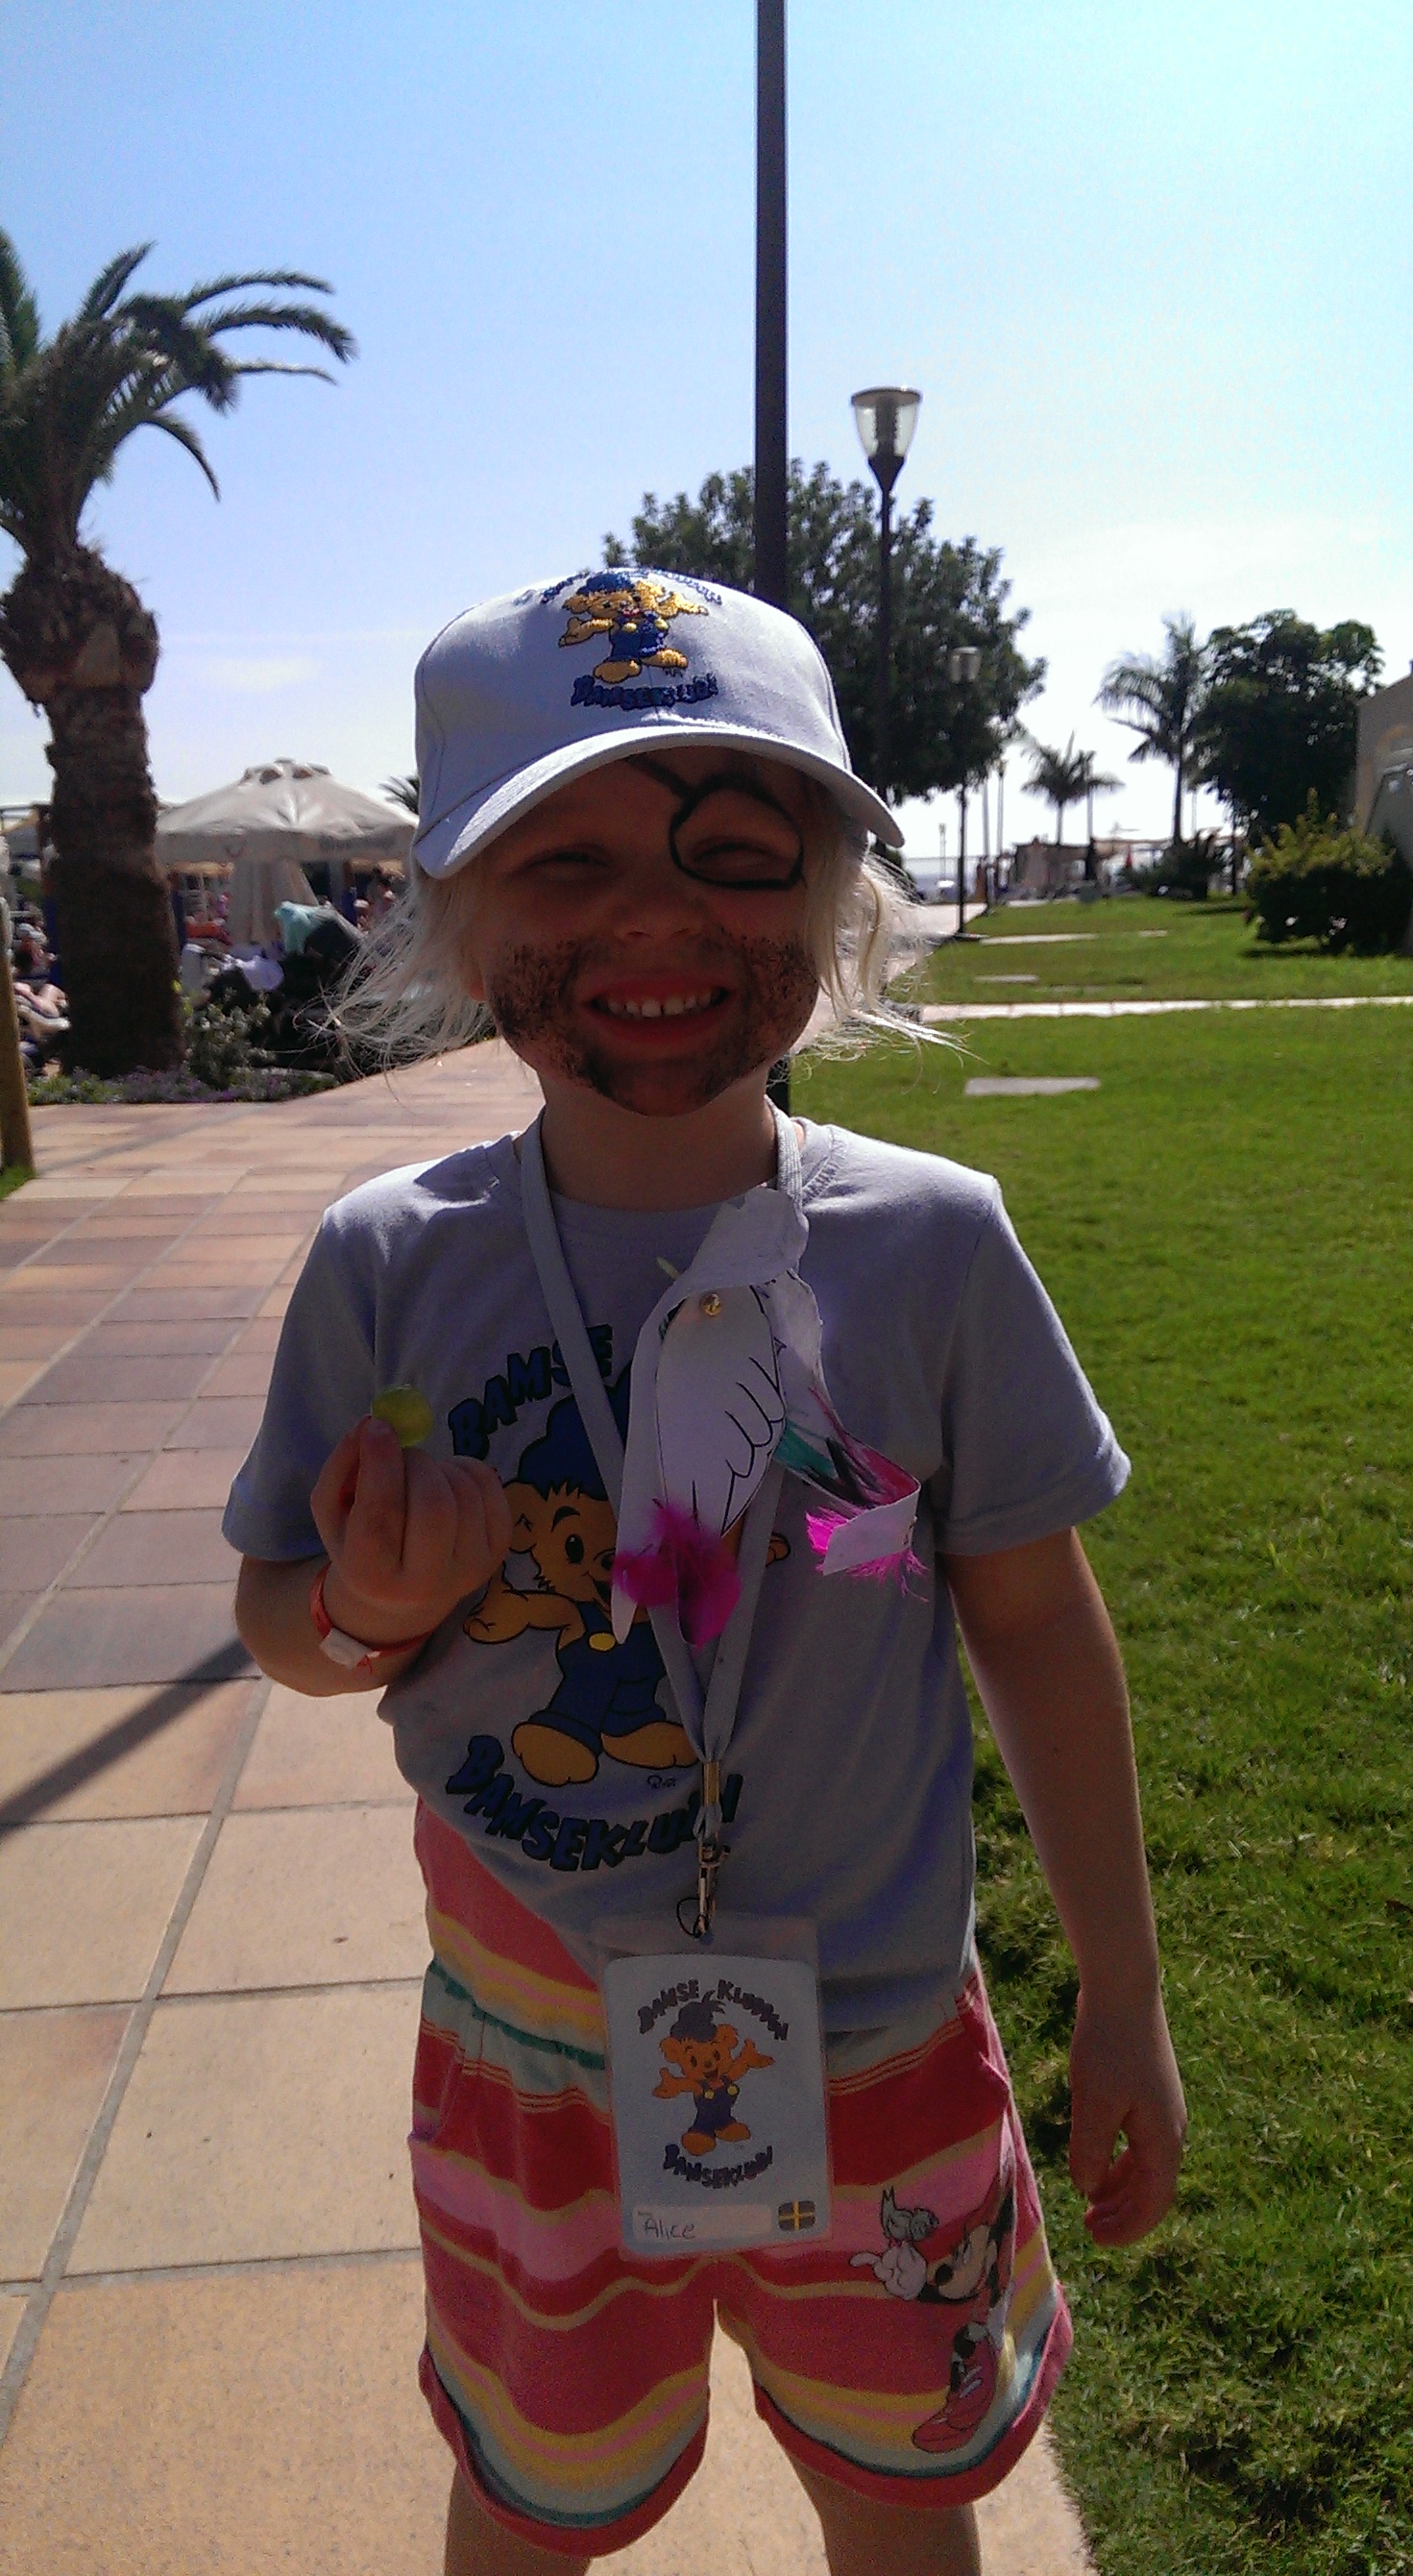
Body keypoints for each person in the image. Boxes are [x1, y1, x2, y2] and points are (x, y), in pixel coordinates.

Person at [226, 575, 1185, 2576]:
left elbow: (1032, 1620)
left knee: (898, 2494)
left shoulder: (931, 1247)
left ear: (828, 906)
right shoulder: (388, 1259)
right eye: (561, 861)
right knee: (532, 2497)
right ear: (458, 914)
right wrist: (363, 1615)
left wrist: (1124, 1992)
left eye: (733, 856)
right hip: (535, 2064)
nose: (652, 920)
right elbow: (278, 1619)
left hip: (880, 2040)